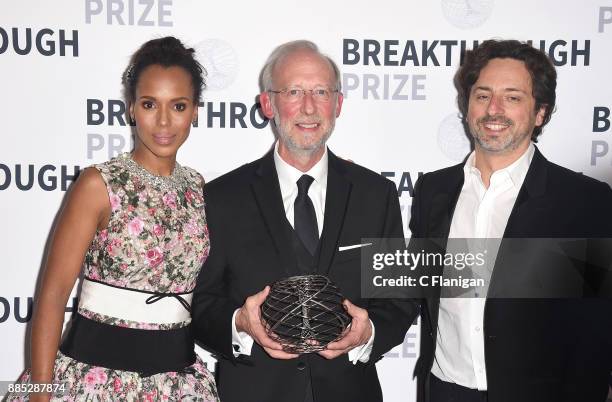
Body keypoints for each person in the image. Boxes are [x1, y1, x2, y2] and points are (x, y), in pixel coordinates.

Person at [191, 40, 416, 402]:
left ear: (338, 104)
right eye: (293, 91)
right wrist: (240, 324)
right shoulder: (221, 198)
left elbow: (400, 300)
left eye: (321, 92)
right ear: (268, 103)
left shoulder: (376, 195)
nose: (309, 107)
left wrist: (367, 332)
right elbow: (198, 302)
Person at [6, 36, 218, 401]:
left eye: (179, 106)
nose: (164, 121)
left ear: (196, 110)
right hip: (93, 384)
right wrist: (40, 394)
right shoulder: (98, 184)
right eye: (150, 104)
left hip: (178, 387)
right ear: (132, 108)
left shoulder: (199, 188)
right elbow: (53, 295)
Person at [409, 39, 612, 402]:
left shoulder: (586, 203)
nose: (494, 110)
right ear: (467, 105)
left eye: (513, 97)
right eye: (483, 95)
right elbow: (417, 285)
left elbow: (595, 331)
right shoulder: (433, 191)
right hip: (444, 390)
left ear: (540, 113)